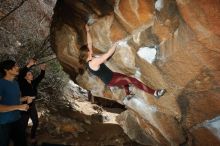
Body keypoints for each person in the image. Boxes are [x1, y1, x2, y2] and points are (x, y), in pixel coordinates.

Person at [79, 24, 166, 99]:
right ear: (87, 53)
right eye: (88, 50)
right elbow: (108, 54)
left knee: (126, 78)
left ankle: (128, 94)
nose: (90, 49)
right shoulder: (92, 62)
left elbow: (89, 43)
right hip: (111, 80)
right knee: (133, 80)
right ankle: (155, 93)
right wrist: (115, 44)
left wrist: (88, 31)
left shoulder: (89, 59)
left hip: (111, 75)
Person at [0, 59, 32, 146]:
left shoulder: (15, 83)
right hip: (4, 123)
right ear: (6, 70)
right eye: (15, 66)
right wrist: (18, 107)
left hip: (17, 119)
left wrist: (25, 98)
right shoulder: (1, 83)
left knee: (21, 143)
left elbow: (14, 100)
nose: (18, 67)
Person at [18, 58, 46, 144]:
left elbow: (41, 77)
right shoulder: (22, 83)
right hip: (24, 106)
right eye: (29, 74)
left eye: (31, 74)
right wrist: (29, 65)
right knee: (24, 125)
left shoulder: (33, 83)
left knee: (36, 122)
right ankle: (21, 140)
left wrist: (43, 69)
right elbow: (20, 74)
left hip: (32, 105)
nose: (31, 75)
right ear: (25, 76)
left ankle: (32, 136)